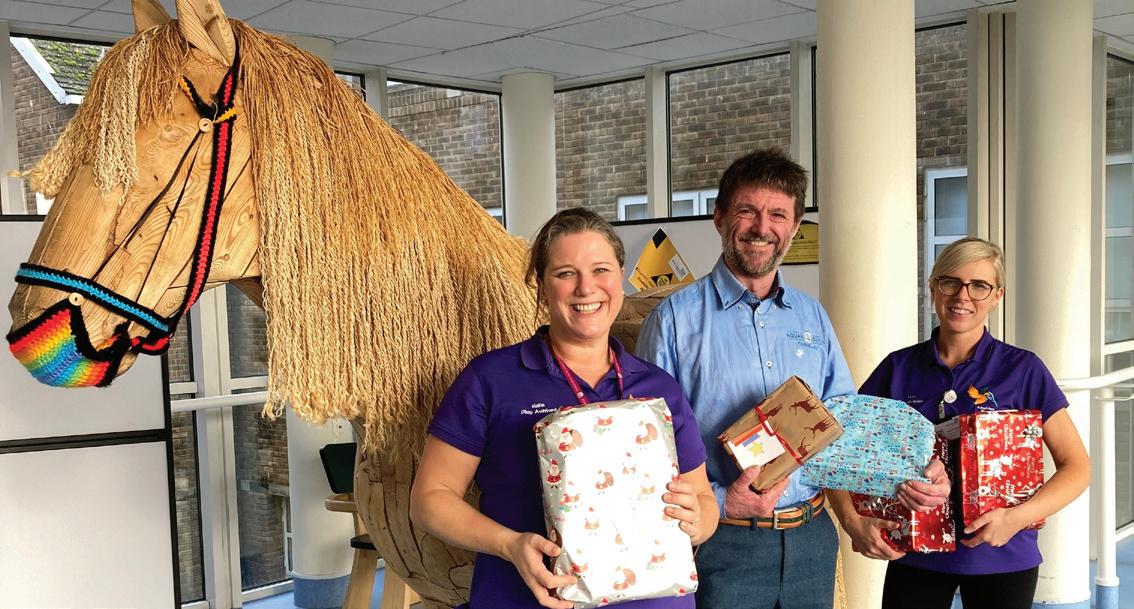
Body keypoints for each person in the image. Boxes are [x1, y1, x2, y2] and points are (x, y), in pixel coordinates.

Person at [636, 148, 950, 608]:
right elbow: (647, 459)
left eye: (778, 215)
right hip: (721, 545)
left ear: (795, 225)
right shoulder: (673, 322)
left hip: (811, 542)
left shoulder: (811, 317)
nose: (762, 228)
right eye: (747, 211)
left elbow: (840, 432)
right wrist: (722, 502)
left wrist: (915, 470)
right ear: (719, 217)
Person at [410, 207, 718, 609]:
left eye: (600, 270)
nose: (586, 288)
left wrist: (698, 521)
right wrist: (509, 544)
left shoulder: (659, 388)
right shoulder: (490, 379)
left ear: (620, 276)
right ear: (541, 286)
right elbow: (429, 499)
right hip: (525, 599)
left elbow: (704, 500)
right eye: (565, 273)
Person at [849, 237, 1090, 609]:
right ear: (933, 288)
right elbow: (842, 453)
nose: (963, 296)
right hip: (916, 553)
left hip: (1003, 555)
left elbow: (1077, 467)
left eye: (979, 286)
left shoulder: (1023, 369)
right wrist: (855, 522)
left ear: (997, 296)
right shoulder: (898, 368)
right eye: (951, 282)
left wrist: (1017, 518)